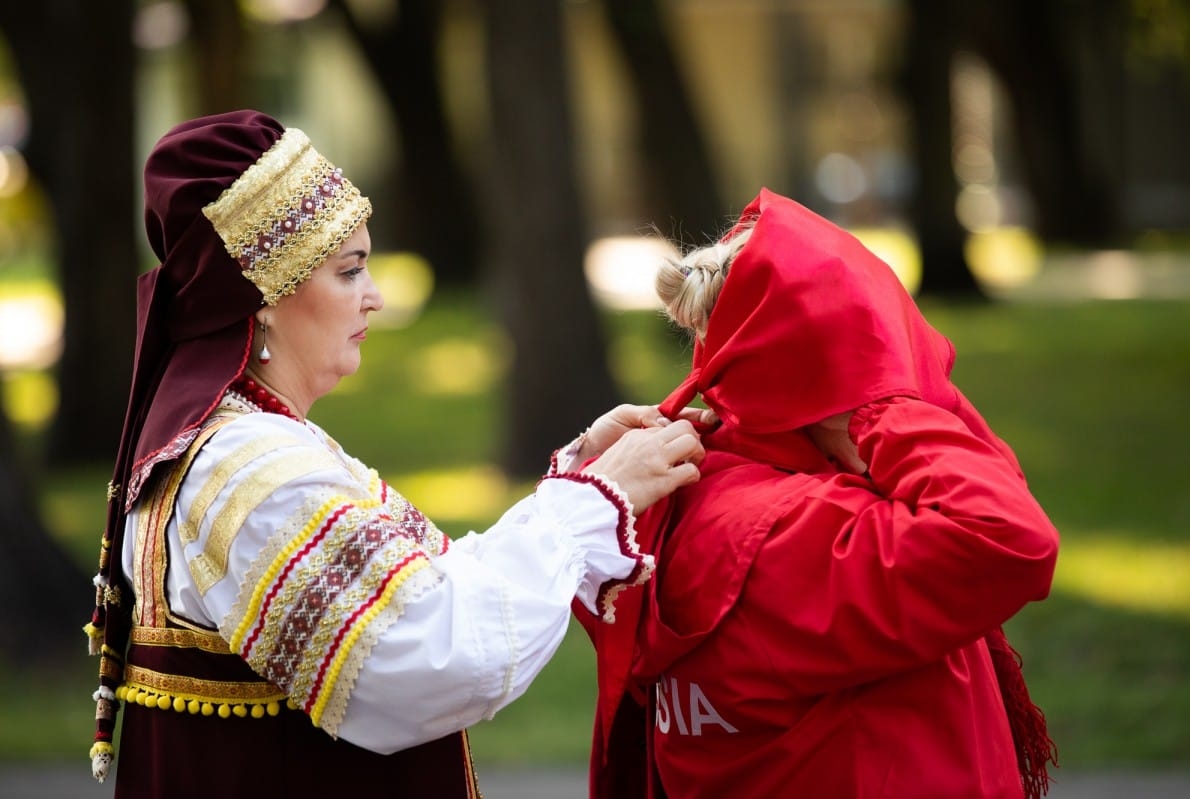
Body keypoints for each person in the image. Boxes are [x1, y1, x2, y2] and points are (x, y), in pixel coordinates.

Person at [82, 109, 711, 798]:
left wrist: (580, 479)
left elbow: (413, 589)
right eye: (349, 271)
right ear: (261, 297)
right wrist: (585, 508)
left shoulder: (246, 443)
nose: (375, 297)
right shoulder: (249, 474)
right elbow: (431, 654)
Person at [576, 188, 1060, 799]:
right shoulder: (802, 528)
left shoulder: (673, 492)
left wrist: (583, 463)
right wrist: (883, 409)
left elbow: (572, 550)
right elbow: (1007, 536)